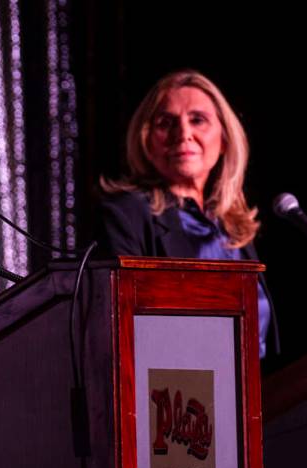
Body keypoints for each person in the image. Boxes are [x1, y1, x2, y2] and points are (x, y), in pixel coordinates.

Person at [96, 70, 277, 358]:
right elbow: (117, 328)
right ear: (146, 141)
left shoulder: (232, 225)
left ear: (225, 139)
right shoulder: (127, 214)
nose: (183, 134)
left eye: (198, 120)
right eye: (165, 123)